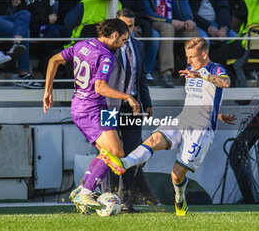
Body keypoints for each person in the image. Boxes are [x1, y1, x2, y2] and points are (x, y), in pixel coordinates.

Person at [101, 37, 236, 216]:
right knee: (154, 139)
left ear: (204, 54)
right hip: (182, 120)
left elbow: (226, 82)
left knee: (176, 175)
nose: (188, 61)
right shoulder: (190, 69)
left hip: (201, 129)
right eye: (187, 57)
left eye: (192, 57)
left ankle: (180, 201)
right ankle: (124, 163)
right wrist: (218, 114)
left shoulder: (215, 69)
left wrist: (202, 76)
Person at [43, 18, 140, 214]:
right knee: (117, 153)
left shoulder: (82, 45)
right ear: (114, 36)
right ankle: (86, 191)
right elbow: (100, 87)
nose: (123, 44)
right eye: (123, 40)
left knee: (109, 152)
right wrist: (127, 96)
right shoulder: (106, 56)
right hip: (91, 108)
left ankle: (82, 190)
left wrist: (47, 91)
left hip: (93, 106)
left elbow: (54, 60)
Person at [100, 8, 155, 213]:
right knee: (108, 153)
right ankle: (107, 197)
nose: (129, 30)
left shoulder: (138, 46)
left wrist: (147, 103)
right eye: (125, 26)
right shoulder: (107, 46)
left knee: (134, 154)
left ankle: (125, 201)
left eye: (131, 26)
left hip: (133, 106)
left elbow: (141, 77)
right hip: (108, 105)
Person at [0, 0, 43, 89]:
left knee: (25, 14)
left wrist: (15, 2)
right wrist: (10, 0)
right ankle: (24, 75)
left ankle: (16, 43)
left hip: (7, 18)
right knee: (25, 31)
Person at [144, 0, 199, 88]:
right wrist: (170, 21)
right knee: (168, 28)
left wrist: (188, 19)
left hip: (176, 23)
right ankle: (166, 73)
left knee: (192, 32)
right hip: (155, 23)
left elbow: (185, 8)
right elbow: (147, 13)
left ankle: (192, 72)